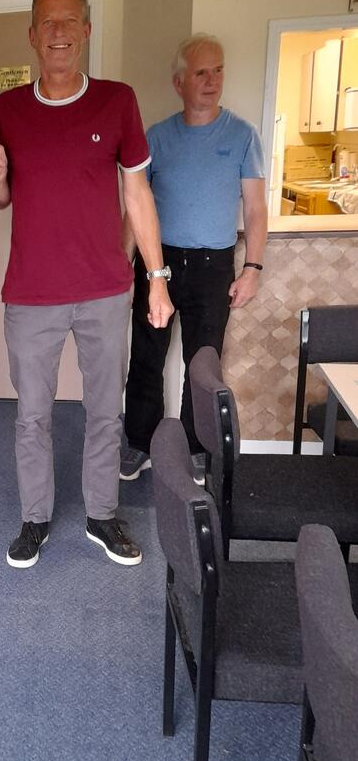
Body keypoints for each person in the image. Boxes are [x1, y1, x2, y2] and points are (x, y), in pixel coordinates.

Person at [0, 0, 173, 571]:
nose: (59, 32)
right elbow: (1, 197)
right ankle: (35, 517)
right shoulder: (8, 108)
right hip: (31, 293)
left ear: (86, 31)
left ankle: (101, 515)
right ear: (33, 35)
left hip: (105, 290)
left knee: (104, 411)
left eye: (70, 21)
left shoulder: (117, 100)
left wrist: (157, 278)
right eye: (48, 22)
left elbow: (137, 194)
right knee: (32, 415)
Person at [120, 34, 267, 481]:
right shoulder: (157, 138)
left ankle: (194, 448)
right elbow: (135, 204)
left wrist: (253, 268)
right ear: (178, 82)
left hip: (213, 266)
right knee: (147, 355)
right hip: (157, 264)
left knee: (202, 364)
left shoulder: (242, 135)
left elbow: (256, 208)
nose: (212, 80)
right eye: (201, 72)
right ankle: (139, 444)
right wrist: (121, 267)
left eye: (218, 70)